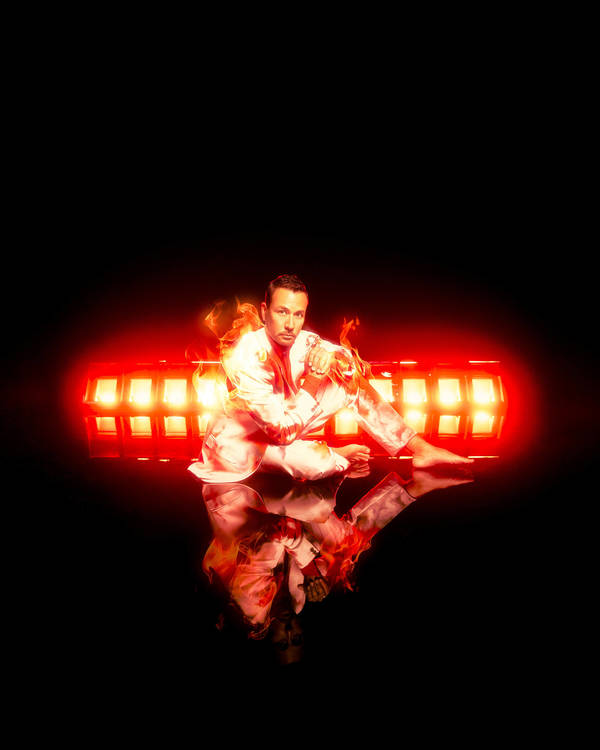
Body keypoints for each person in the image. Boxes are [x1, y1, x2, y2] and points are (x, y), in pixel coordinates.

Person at [187, 273, 472, 484]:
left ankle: (419, 448)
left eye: (298, 315)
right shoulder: (247, 356)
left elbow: (348, 362)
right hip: (243, 448)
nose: (290, 324)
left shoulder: (301, 339)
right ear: (264, 312)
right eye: (282, 312)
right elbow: (280, 433)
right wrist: (314, 379)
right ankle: (336, 455)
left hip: (286, 424)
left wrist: (331, 356)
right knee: (316, 465)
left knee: (347, 381)